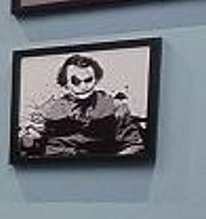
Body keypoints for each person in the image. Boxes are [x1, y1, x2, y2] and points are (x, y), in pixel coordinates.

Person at [16, 53, 146, 159]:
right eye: (76, 81)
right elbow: (29, 146)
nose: (83, 86)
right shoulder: (48, 109)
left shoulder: (116, 108)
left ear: (96, 80)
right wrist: (28, 138)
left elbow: (134, 145)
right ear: (65, 83)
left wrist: (111, 166)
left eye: (88, 80)